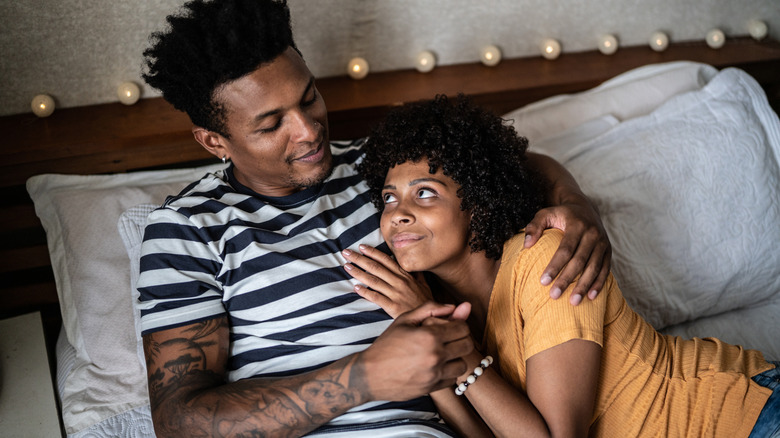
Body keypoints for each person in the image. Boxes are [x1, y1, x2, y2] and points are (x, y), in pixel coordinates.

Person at [136, 1, 613, 436]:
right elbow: (180, 423)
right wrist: (363, 377)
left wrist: (574, 205)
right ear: (214, 142)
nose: (308, 132)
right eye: (270, 124)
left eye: (308, 98)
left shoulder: (381, 168)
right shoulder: (186, 231)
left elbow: (510, 164)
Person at [345, 94, 780, 437]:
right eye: (388, 197)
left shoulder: (546, 259)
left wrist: (460, 356)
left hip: (743, 417)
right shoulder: (442, 306)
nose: (396, 213)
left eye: (424, 193)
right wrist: (426, 336)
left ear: (478, 202)